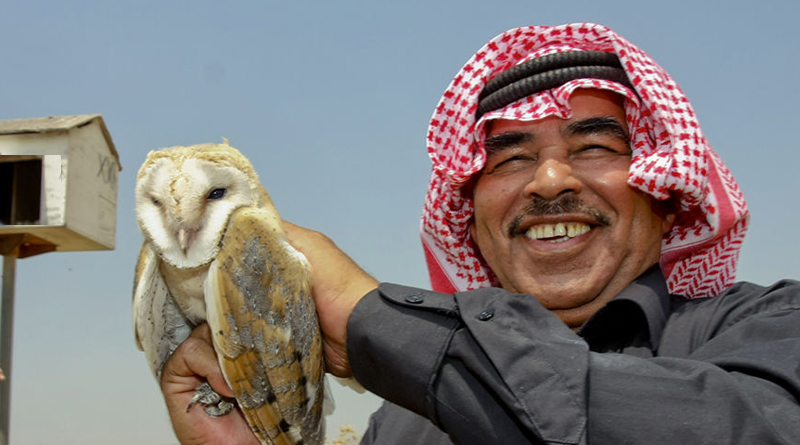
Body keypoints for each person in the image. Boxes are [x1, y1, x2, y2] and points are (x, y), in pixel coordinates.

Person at [160, 23, 800, 444]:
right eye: (510, 159)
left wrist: (369, 317)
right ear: (468, 210)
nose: (549, 181)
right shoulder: (407, 420)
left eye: (596, 147)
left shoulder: (768, 329)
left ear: (664, 190)